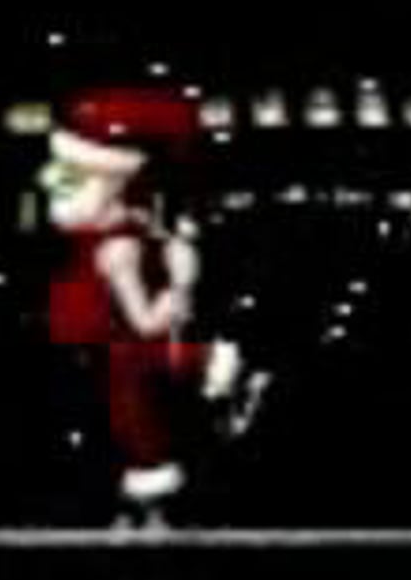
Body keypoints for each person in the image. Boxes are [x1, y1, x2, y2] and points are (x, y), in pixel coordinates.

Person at [40, 87, 270, 532]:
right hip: (107, 331)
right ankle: (150, 487)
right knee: (129, 407)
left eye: (80, 175)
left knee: (132, 408)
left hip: (115, 334)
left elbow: (146, 321)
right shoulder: (120, 232)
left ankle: (205, 372)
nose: (62, 186)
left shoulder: (118, 244)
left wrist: (171, 299)